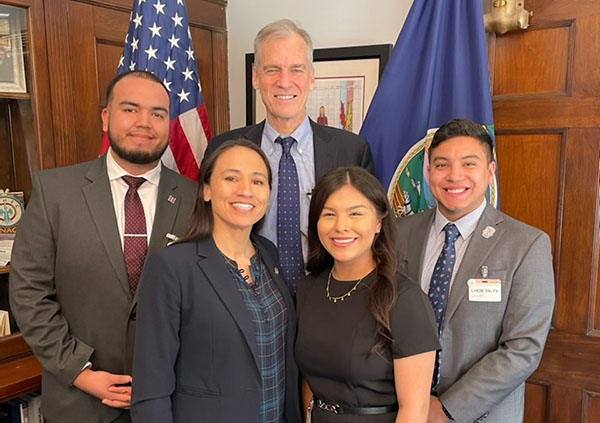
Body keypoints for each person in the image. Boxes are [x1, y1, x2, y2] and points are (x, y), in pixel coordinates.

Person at [9, 70, 197, 423]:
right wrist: (79, 371)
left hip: (169, 402)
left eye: (157, 113)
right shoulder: (55, 192)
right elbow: (28, 293)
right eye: (130, 109)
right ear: (106, 117)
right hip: (79, 402)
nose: (144, 123)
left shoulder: (194, 199)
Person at [395, 118, 555, 423]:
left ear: (490, 171)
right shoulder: (399, 233)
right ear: (428, 171)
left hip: (481, 414)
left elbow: (523, 348)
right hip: (402, 409)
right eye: (442, 165)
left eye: (469, 164)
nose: (455, 176)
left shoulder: (526, 244)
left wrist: (447, 408)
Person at [131, 139, 301, 423]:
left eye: (258, 181)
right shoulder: (172, 267)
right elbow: (151, 389)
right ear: (207, 190)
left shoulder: (269, 256)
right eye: (231, 178)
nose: (245, 190)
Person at [204, 19, 374, 293]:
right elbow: (206, 230)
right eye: (272, 69)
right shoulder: (223, 149)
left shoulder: (351, 150)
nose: (284, 82)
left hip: (331, 299)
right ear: (255, 77)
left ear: (311, 77)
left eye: (296, 69)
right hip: (244, 297)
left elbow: (368, 235)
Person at [295, 166, 440, 423]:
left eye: (355, 214)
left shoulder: (404, 298)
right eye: (329, 214)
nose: (341, 226)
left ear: (378, 222)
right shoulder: (309, 287)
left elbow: (415, 411)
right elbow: (309, 380)